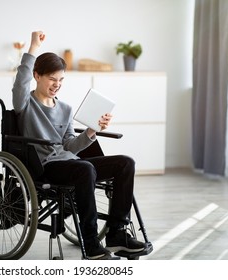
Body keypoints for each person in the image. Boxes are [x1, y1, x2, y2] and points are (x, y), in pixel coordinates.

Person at [12, 31, 145, 259]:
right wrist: (33, 47)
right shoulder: (25, 102)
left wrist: (93, 130)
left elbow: (71, 146)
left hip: (70, 163)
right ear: (37, 75)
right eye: (52, 79)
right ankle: (91, 244)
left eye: (61, 80)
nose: (57, 85)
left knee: (126, 163)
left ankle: (117, 234)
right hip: (45, 166)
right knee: (85, 168)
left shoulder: (65, 109)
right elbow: (21, 78)